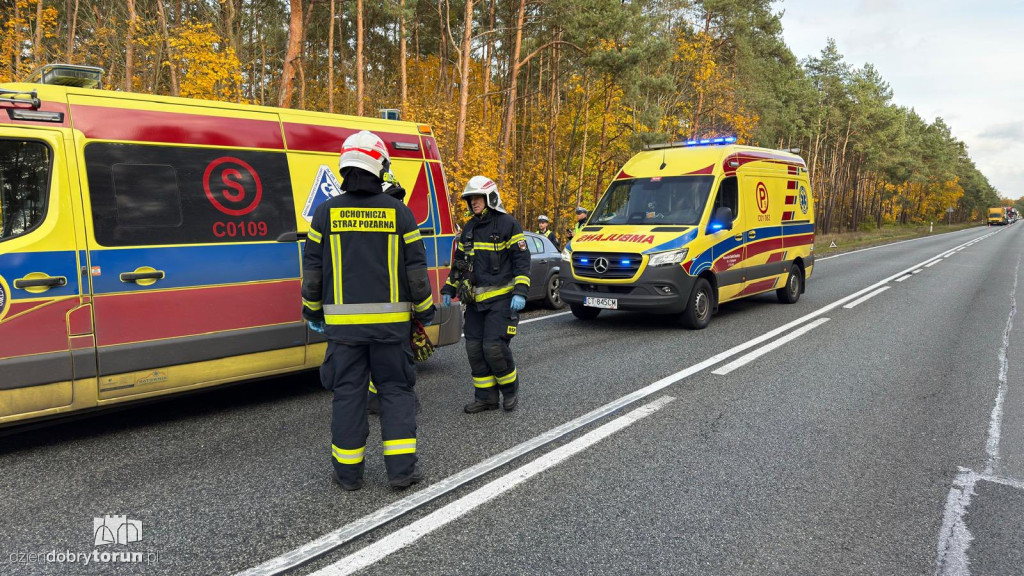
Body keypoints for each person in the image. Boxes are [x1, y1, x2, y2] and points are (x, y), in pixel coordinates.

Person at [302, 130, 435, 491]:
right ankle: (401, 473)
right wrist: (425, 313)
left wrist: (312, 312)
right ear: (380, 166)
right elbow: (416, 274)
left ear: (346, 166)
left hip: (344, 334)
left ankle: (348, 475)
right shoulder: (400, 213)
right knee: (395, 393)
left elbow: (313, 272)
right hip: (392, 332)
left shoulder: (325, 214)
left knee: (348, 396)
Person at [441, 176, 530, 413]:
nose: (474, 203)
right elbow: (459, 264)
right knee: (474, 349)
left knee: (494, 348)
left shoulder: (508, 224)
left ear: (490, 198)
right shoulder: (469, 228)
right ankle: (486, 398)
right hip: (475, 303)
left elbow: (522, 261)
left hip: (502, 300)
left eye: (477, 198)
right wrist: (449, 287)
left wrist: (520, 291)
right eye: (470, 199)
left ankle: (510, 391)